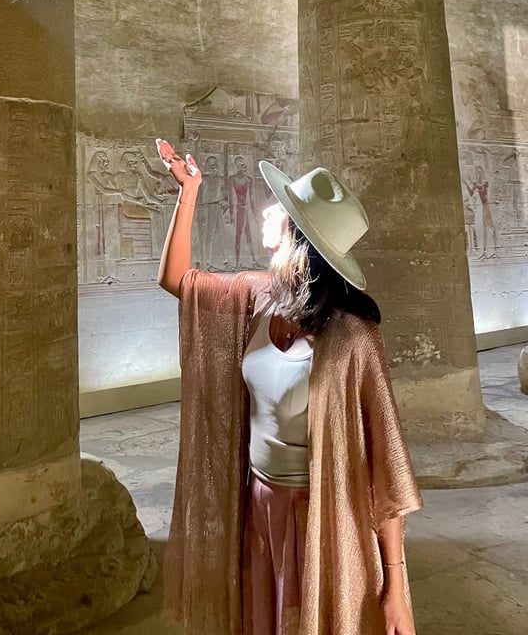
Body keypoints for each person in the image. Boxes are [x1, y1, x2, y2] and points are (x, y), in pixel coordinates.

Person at [155, 138, 421, 635]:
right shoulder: (259, 296)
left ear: (299, 235)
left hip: (322, 519)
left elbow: (386, 467)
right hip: (259, 503)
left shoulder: (352, 337)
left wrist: (396, 587)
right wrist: (187, 193)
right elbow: (177, 280)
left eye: (280, 206)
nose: (265, 209)